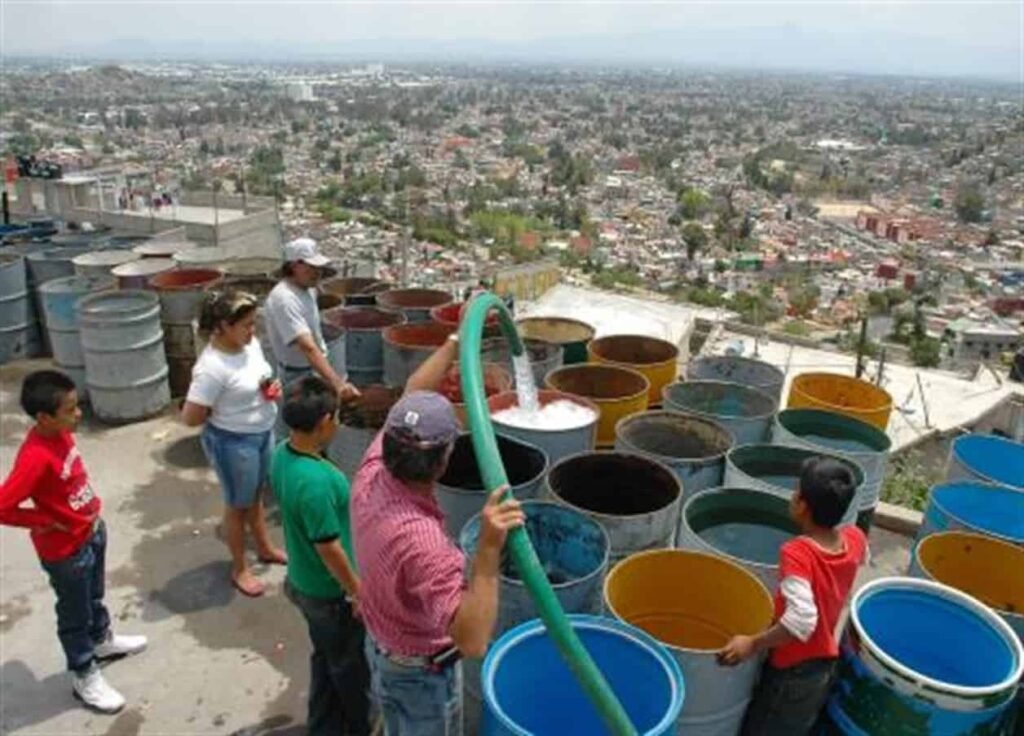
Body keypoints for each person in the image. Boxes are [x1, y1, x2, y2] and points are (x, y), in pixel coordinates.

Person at [352, 333, 525, 735]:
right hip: (418, 675)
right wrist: (486, 553)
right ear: (445, 459)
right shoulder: (423, 542)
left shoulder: (373, 469)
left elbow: (413, 391)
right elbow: (473, 640)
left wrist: (453, 341)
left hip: (382, 642)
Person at [0, 370, 147, 713]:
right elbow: (3, 505)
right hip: (66, 552)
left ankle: (101, 640)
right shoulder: (34, 457)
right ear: (44, 417)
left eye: (76, 405)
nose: (79, 414)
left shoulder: (62, 434)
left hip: (92, 533)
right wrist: (44, 520)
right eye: (69, 410)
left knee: (93, 598)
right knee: (74, 613)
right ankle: (84, 672)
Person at [718, 457, 868, 736]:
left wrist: (752, 642)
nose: (793, 495)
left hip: (792, 673)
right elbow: (854, 561)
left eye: (797, 492)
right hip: (822, 665)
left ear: (802, 506)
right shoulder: (855, 537)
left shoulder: (798, 553)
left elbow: (801, 621)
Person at [271, 376, 370, 736]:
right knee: (349, 667)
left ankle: (323, 725)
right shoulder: (317, 482)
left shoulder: (282, 453)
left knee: (326, 656)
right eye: (338, 417)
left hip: (302, 579)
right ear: (325, 422)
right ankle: (361, 727)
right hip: (328, 593)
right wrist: (356, 590)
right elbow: (328, 547)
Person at [181, 290, 287, 597]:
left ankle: (265, 548)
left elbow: (260, 376)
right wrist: (221, 408)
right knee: (238, 505)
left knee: (255, 496)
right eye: (246, 325)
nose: (252, 331)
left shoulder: (249, 345)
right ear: (223, 326)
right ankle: (239, 567)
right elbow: (190, 417)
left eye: (253, 324)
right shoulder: (212, 368)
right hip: (232, 441)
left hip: (262, 431)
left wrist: (270, 387)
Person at [265, 237, 357, 399]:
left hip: (313, 368)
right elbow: (307, 347)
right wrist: (338, 384)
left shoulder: (307, 289)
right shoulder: (285, 299)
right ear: (294, 266)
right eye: (312, 267)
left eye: (319, 267)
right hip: (296, 375)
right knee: (302, 421)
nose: (318, 272)